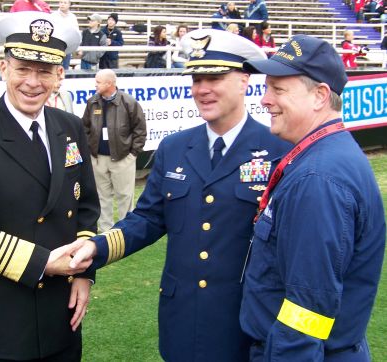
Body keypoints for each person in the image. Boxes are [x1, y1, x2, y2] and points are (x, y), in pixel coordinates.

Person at [69, 29, 290, 361]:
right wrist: (95, 247)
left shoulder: (279, 150)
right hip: (182, 317)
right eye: (197, 78)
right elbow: (147, 219)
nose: (202, 89)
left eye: (214, 77)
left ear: (245, 82)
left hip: (245, 321)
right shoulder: (175, 148)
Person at [0, 11, 99, 361]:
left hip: (62, 314)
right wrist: (46, 263)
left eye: (44, 71)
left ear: (59, 75)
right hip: (2, 320)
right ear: (3, 69)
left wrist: (84, 273)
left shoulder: (70, 127)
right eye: (23, 69)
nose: (32, 82)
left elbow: (86, 207)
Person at [240, 34, 385, 361]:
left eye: (278, 89)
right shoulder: (322, 159)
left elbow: (306, 311)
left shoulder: (318, 179)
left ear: (320, 96)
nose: (265, 100)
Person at [82, 69, 146, 232]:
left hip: (122, 159)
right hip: (98, 159)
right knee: (102, 197)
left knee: (125, 197)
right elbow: (85, 128)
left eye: (98, 82)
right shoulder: (92, 102)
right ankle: (105, 231)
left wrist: (132, 155)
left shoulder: (128, 102)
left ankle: (126, 231)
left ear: (110, 83)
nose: (95, 85)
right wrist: (91, 152)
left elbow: (140, 130)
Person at [52, 0, 79, 70]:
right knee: (54, 67)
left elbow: (76, 31)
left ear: (69, 4)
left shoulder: (73, 17)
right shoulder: (53, 15)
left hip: (67, 46)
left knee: (65, 68)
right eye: (61, 2)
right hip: (55, 45)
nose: (62, 4)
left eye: (65, 3)